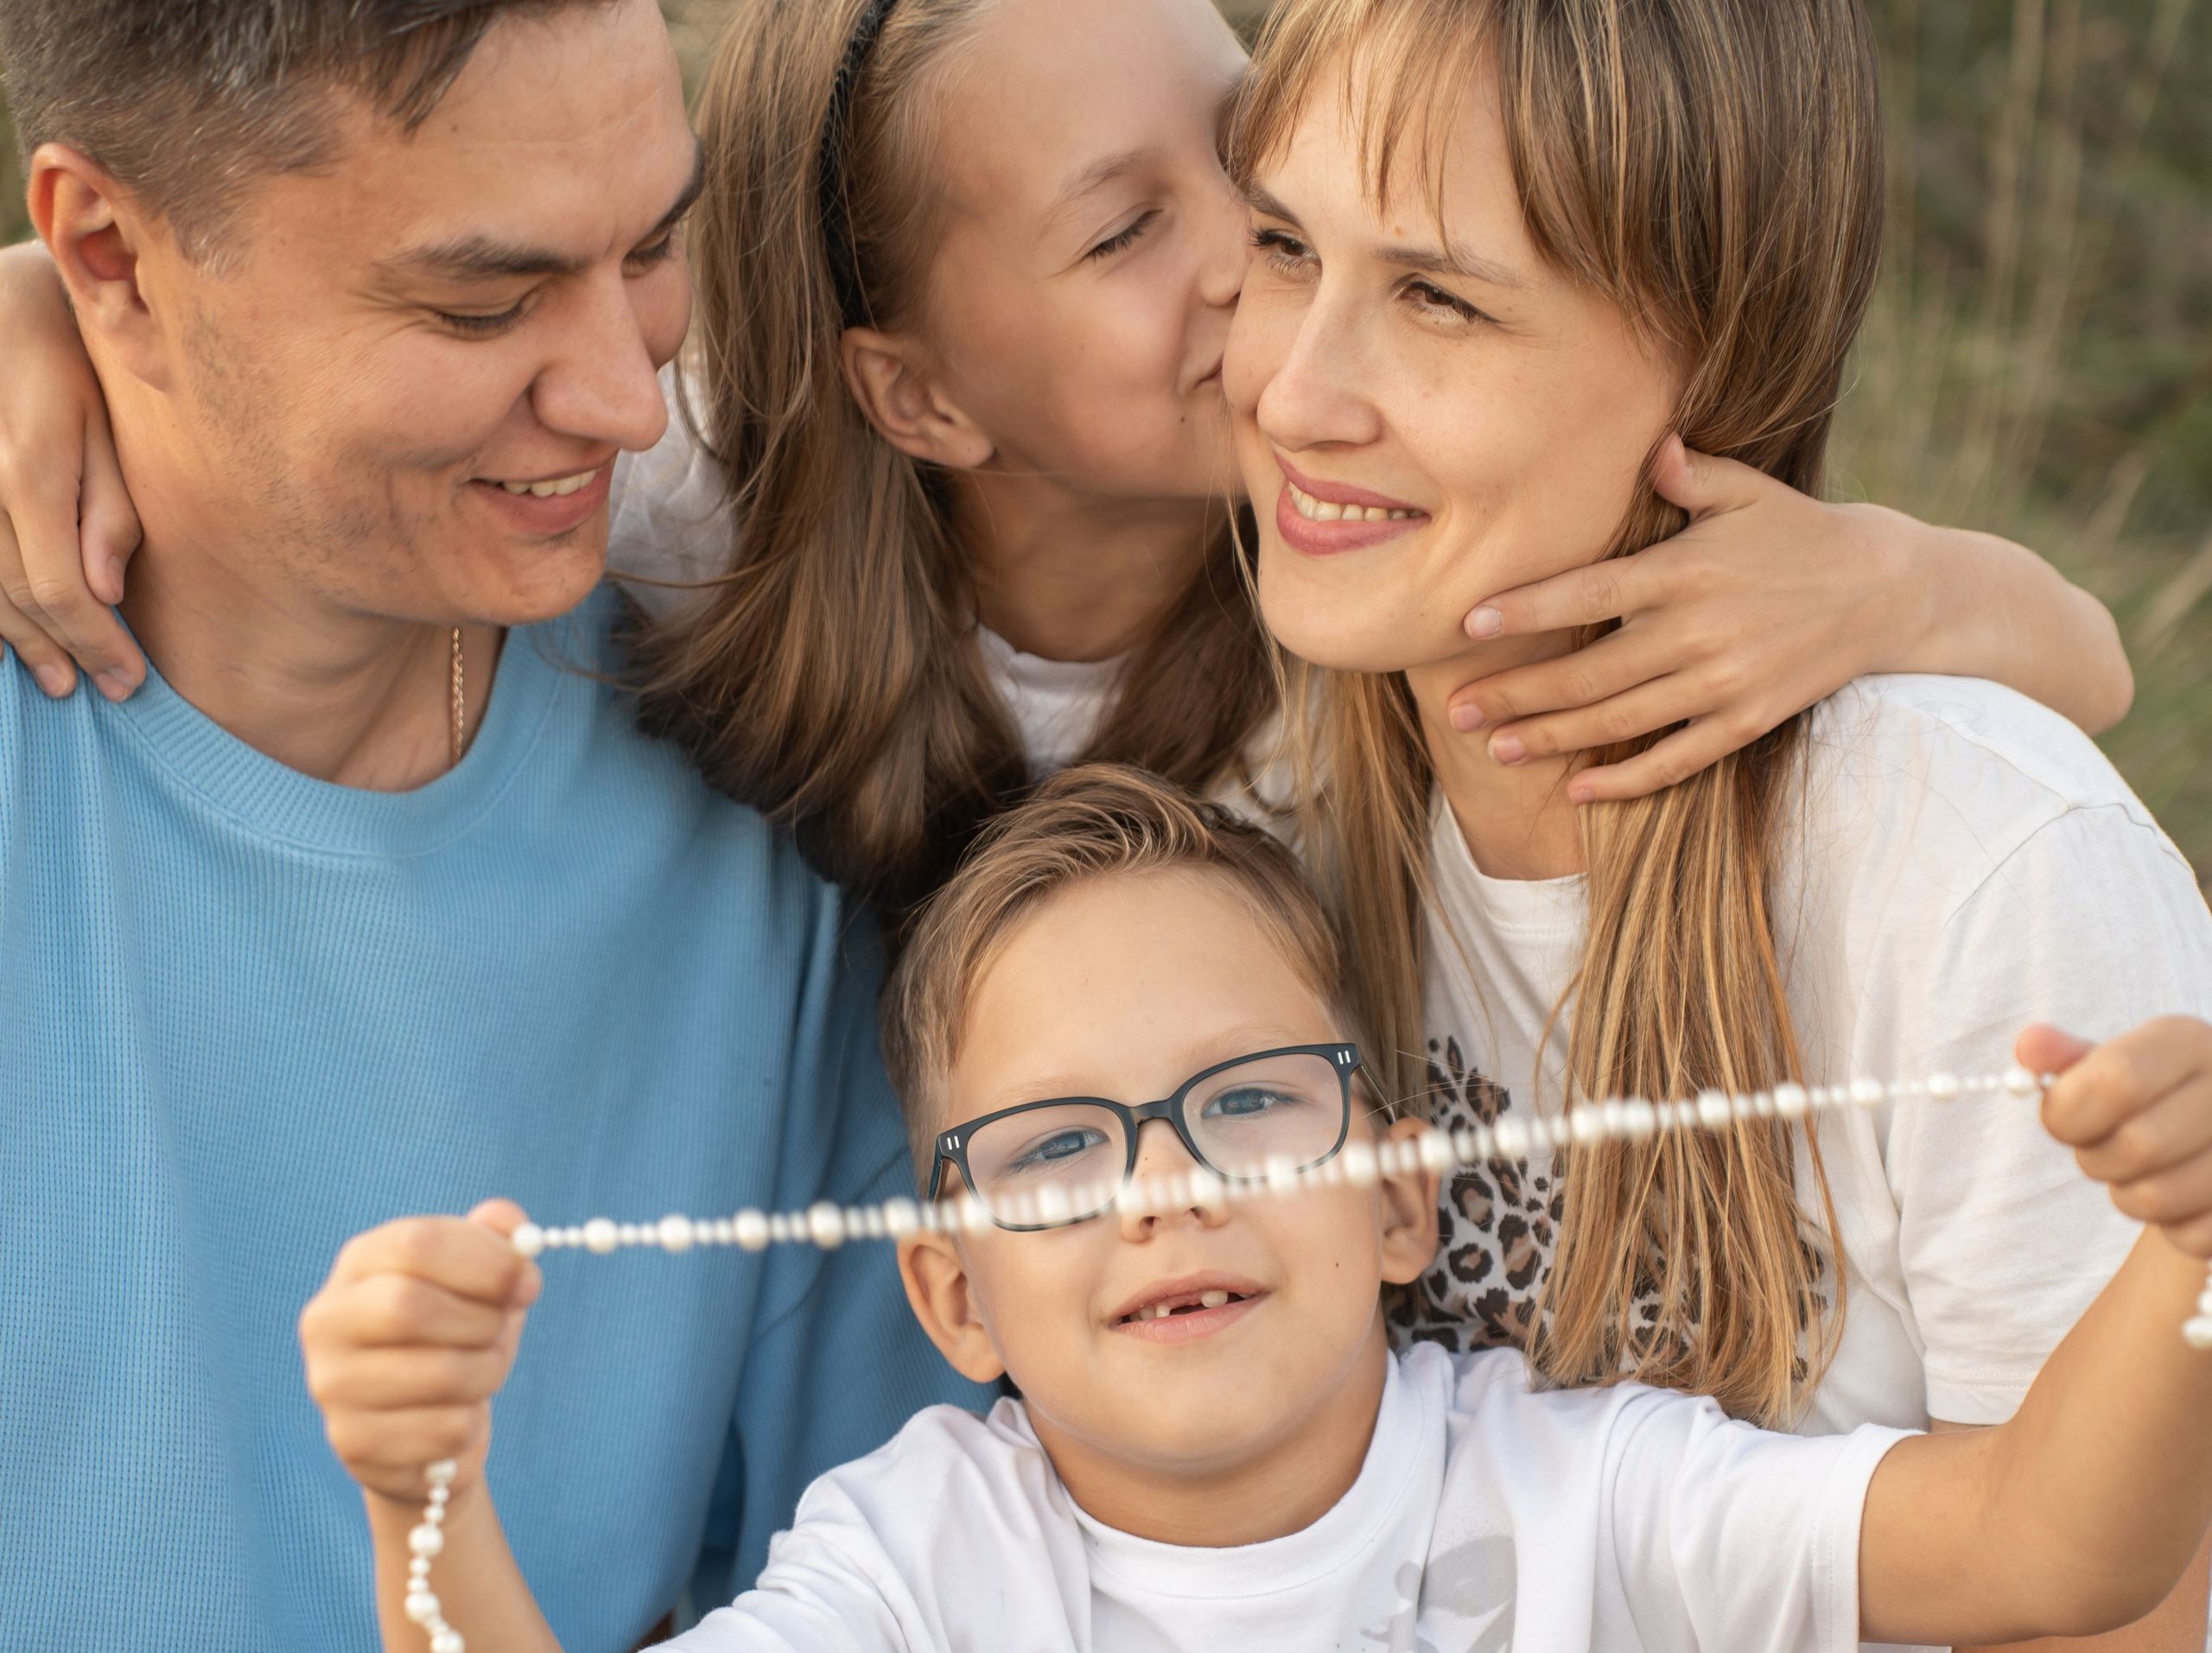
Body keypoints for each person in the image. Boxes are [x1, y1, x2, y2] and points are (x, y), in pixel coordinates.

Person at [296, 765, 2212, 1653]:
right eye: (1056, 1148)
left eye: (1244, 1099)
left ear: (1400, 1198)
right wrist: (422, 1505)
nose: (1164, 1186)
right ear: (952, 1294)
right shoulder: (917, 1569)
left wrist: (2177, 1271)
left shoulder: (1596, 1500)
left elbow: (2055, 1541)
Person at [1223, 0, 2212, 1653]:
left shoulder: (1966, 861)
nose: (1293, 385)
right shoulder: (1269, 826)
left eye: (1438, 298)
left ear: (1704, 358)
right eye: (1280, 249)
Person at [0, 3, 980, 1653]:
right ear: (113, 258)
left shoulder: (753, 800)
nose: (624, 393)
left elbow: (904, 1577)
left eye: (650, 251)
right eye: (482, 300)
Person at [0, 0, 2139, 913]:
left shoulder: (1380, 552)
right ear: (917, 397)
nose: (1257, 278)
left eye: (1255, 171)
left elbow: (2079, 672)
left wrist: (1898, 580)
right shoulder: (673, 501)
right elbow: (300, 361)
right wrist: (53, 317)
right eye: (1124, 235)